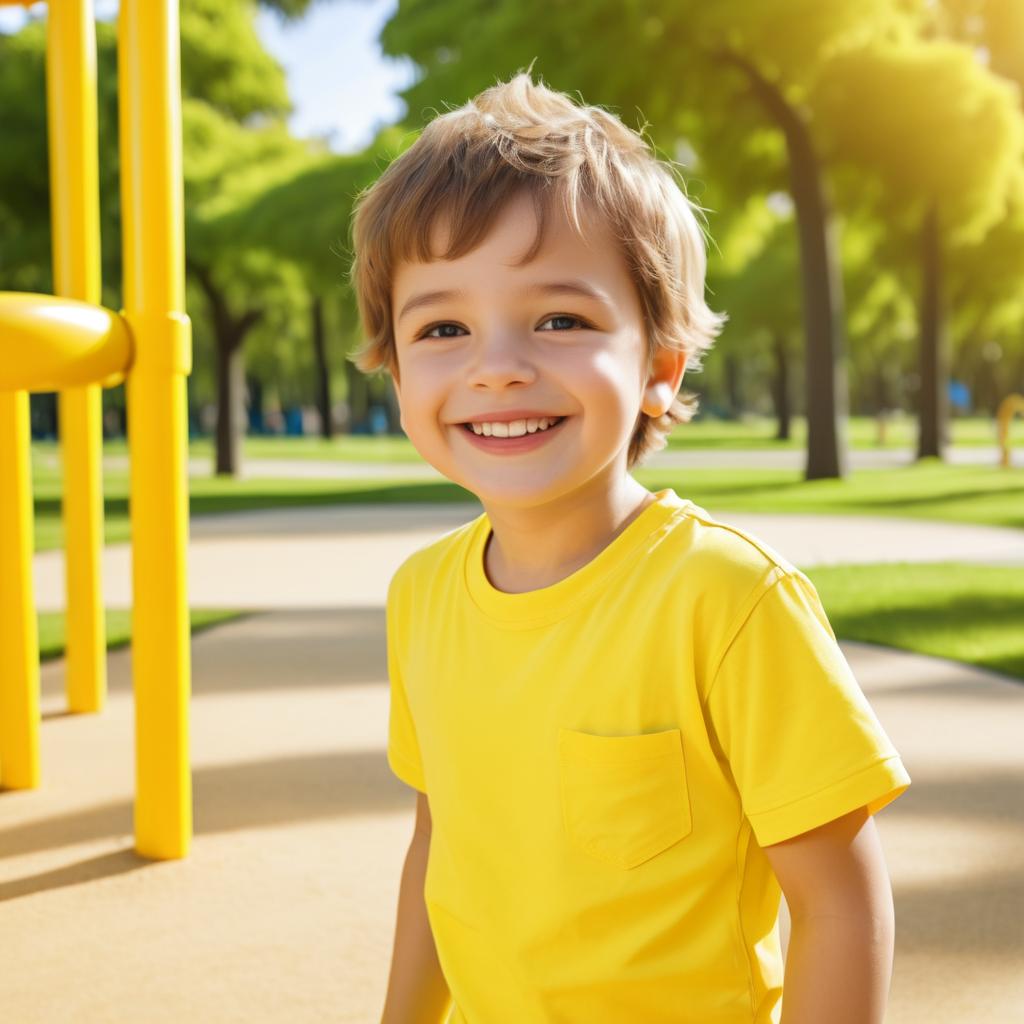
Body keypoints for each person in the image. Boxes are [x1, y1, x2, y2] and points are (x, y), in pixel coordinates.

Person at [347, 69, 911, 1024]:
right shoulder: (421, 595)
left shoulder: (728, 599)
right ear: (395, 369)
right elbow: (439, 841)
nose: (498, 368)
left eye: (559, 319)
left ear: (657, 366)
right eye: (443, 327)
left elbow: (840, 900)